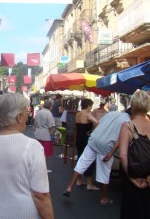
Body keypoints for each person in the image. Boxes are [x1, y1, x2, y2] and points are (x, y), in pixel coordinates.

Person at [0, 93, 54, 219]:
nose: (27, 116)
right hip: (24, 213)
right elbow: (41, 196)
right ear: (19, 117)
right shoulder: (33, 147)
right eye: (26, 112)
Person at [63, 111, 131, 205]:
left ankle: (69, 187)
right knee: (104, 172)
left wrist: (92, 133)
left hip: (94, 140)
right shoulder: (127, 121)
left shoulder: (110, 113)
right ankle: (104, 198)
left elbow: (98, 124)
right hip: (106, 145)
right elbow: (120, 139)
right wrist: (111, 152)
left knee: (81, 163)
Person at [119, 90, 150, 219]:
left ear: (132, 105)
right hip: (148, 177)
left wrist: (132, 178)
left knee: (131, 210)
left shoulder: (127, 126)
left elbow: (122, 155)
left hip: (132, 176)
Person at [75, 98, 99, 189]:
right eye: (91, 106)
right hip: (86, 138)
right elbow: (97, 122)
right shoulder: (87, 115)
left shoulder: (77, 114)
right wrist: (91, 131)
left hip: (79, 138)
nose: (91, 108)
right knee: (90, 159)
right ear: (88, 106)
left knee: (80, 157)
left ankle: (79, 180)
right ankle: (89, 184)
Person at [34, 98, 55, 172]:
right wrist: (53, 136)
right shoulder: (49, 113)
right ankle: (43, 168)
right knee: (46, 153)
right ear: (50, 106)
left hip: (38, 134)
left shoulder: (39, 112)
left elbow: (35, 124)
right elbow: (51, 126)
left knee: (39, 152)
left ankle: (38, 167)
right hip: (46, 135)